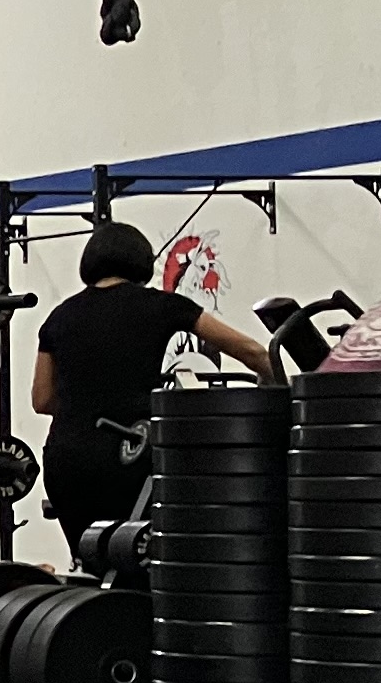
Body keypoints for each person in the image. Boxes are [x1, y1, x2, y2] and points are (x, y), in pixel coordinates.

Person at [34, 221, 279, 553]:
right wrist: (277, 387)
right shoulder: (163, 305)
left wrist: (87, 403)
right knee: (143, 562)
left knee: (90, 562)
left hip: (67, 460)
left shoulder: (59, 317)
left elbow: (42, 399)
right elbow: (252, 352)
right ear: (141, 261)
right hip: (131, 455)